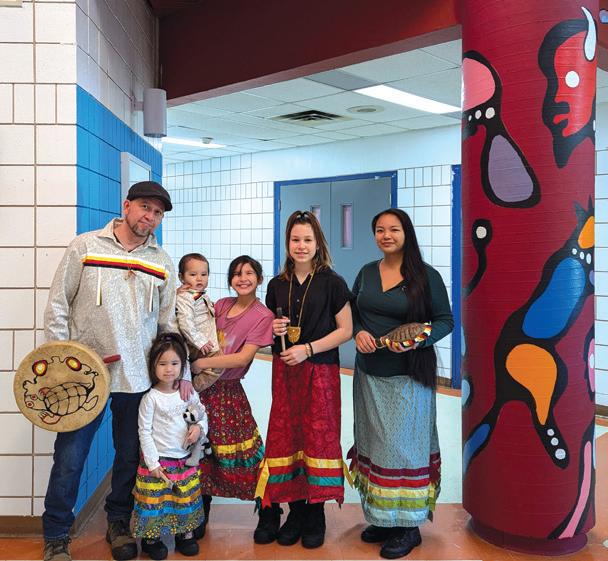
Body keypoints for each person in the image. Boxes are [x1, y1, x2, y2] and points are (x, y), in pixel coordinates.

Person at [42, 181, 194, 561]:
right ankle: (56, 534)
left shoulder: (162, 261)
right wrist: (59, 366)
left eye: (157, 213)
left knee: (128, 455)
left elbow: (167, 326)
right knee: (70, 457)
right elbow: (58, 306)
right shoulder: (85, 246)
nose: (150, 217)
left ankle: (118, 522)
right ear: (126, 206)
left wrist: (183, 375)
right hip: (83, 378)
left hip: (137, 378)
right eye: (145, 207)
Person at [349, 208, 454, 559]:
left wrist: (417, 340)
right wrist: (358, 332)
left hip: (408, 376)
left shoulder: (426, 275)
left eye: (393, 229)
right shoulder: (366, 272)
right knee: (375, 444)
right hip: (369, 374)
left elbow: (445, 320)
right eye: (380, 230)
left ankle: (408, 525)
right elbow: (352, 311)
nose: (386, 236)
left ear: (406, 233)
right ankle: (383, 518)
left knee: (404, 450)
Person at [255, 210, 353, 549]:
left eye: (307, 240)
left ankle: (315, 513)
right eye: (295, 239)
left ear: (318, 243)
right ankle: (295, 511)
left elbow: (346, 330)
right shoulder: (276, 285)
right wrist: (273, 328)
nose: (301, 245)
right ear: (287, 243)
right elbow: (268, 331)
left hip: (320, 370)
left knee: (317, 439)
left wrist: (308, 349)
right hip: (285, 371)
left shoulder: (332, 282)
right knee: (287, 436)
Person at [190, 255, 274, 540]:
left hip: (229, 393)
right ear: (230, 280)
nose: (243, 278)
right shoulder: (221, 305)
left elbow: (242, 357)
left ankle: (269, 513)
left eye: (249, 273)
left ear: (259, 279)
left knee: (245, 452)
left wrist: (201, 363)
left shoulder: (263, 315)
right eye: (237, 274)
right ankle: (200, 513)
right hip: (201, 392)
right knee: (201, 452)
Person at [133, 333, 207, 560]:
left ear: (182, 365)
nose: (169, 369)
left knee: (183, 499)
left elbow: (201, 413)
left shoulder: (187, 392)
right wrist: (152, 463)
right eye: (162, 364)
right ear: (153, 366)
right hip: (159, 463)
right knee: (156, 502)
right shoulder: (151, 398)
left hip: (184, 460)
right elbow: (144, 431)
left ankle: (185, 535)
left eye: (174, 363)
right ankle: (151, 540)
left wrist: (199, 428)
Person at [175, 253, 223, 390]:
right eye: (193, 274)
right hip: (197, 343)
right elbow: (185, 322)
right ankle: (193, 389)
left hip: (204, 340)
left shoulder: (199, 294)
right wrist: (200, 341)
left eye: (204, 274)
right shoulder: (185, 297)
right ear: (181, 277)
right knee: (218, 365)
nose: (199, 278)